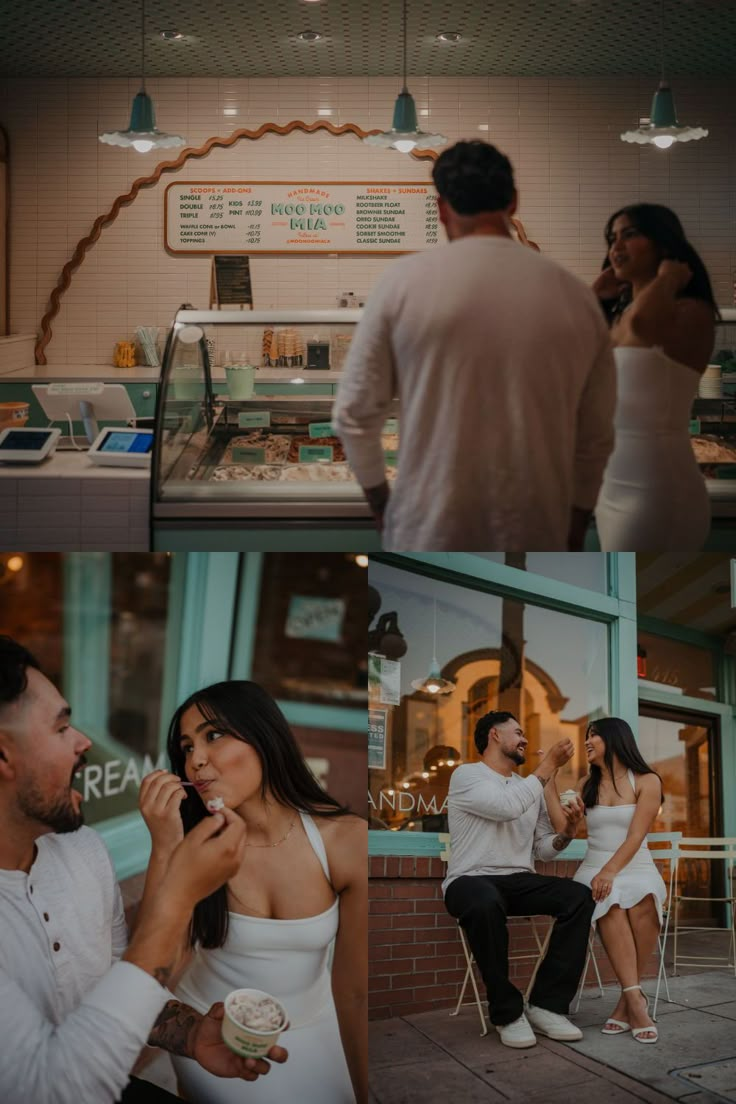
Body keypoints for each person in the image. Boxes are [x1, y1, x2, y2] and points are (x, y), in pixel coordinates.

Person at [0, 636, 287, 1104]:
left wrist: (192, 1035)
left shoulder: (84, 849)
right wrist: (176, 893)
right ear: (3, 756)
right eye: (61, 728)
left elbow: (119, 983)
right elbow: (51, 1090)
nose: (85, 741)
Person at [333, 139, 616, 551]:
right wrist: (574, 522)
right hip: (538, 527)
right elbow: (596, 435)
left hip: (428, 525)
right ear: (514, 202)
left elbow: (354, 415)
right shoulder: (576, 296)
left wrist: (381, 504)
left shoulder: (403, 283)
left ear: (441, 208)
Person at [138, 679, 367, 1104]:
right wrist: (165, 846)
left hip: (317, 1024)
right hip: (213, 1033)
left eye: (214, 735)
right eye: (187, 747)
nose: (196, 762)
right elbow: (153, 973)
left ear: (264, 737)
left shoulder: (344, 840)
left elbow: (353, 993)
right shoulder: (198, 846)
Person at [442, 710, 593, 1049]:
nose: (525, 740)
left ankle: (546, 1005)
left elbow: (543, 849)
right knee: (484, 900)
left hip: (518, 880)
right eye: (518, 732)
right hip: (470, 880)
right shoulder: (467, 775)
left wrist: (567, 833)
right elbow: (506, 807)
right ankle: (507, 1013)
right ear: (494, 735)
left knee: (578, 896)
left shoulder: (530, 788)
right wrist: (547, 767)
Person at [592, 203, 719, 552]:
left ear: (664, 244)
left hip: (657, 491)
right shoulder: (623, 318)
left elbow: (644, 328)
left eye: (629, 235)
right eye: (611, 238)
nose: (615, 247)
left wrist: (667, 279)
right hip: (611, 490)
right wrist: (595, 299)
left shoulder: (689, 311)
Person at [564, 717, 666, 1044]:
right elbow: (564, 831)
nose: (587, 742)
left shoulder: (647, 781)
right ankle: (637, 1001)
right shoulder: (584, 784)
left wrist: (610, 871)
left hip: (635, 863)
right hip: (594, 866)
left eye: (593, 736)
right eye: (586, 736)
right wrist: (569, 821)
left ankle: (627, 1002)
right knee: (608, 901)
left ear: (614, 739)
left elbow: (637, 835)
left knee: (645, 900)